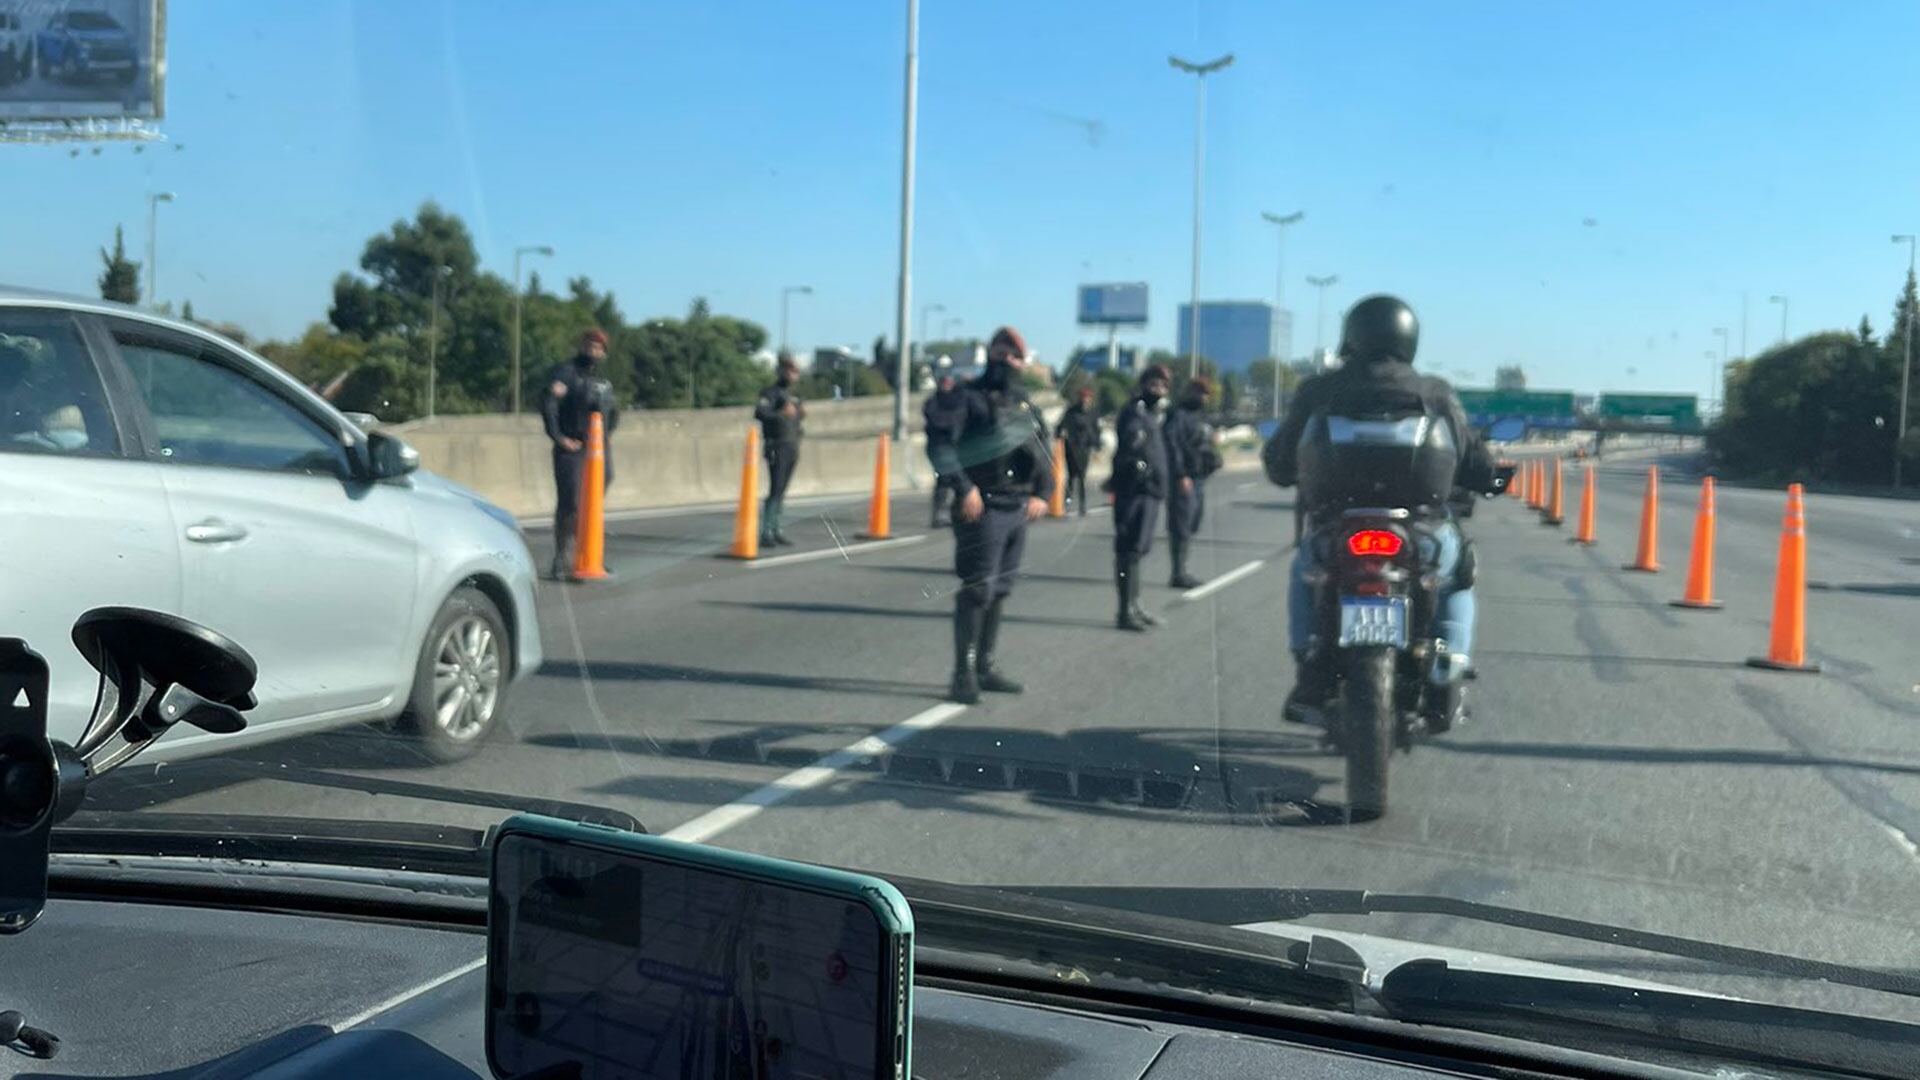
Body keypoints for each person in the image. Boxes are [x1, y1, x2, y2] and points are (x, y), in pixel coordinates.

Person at [1262, 295, 1498, 730]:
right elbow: (1479, 466)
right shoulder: (1435, 393)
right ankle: (1447, 675)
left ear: (1352, 336)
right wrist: (1496, 480)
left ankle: (1310, 669)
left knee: (1302, 570)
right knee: (1460, 572)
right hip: (1421, 532)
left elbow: (1279, 460)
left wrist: (1288, 471)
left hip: (1337, 531)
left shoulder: (1318, 390)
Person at [925, 326, 1054, 704]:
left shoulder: (1025, 403)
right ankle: (962, 674)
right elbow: (941, 446)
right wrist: (963, 488)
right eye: (1001, 354)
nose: (1007, 361)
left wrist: (1043, 493)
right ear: (990, 356)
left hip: (1017, 506)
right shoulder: (967, 398)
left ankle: (986, 665)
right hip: (982, 507)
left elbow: (1043, 449)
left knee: (999, 590)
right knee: (977, 588)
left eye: (1014, 357)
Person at [542, 328, 618, 581]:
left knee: (594, 502)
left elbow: (614, 414)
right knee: (570, 503)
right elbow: (549, 405)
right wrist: (559, 437)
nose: (592, 350)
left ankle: (589, 555)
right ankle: (562, 558)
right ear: (581, 345)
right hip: (571, 448)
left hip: (597, 450)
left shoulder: (604, 382)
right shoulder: (566, 373)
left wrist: (604, 439)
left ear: (604, 354)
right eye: (589, 345)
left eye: (598, 347)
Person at [1109, 365, 1171, 631]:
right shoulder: (1136, 411)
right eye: (1153, 384)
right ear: (1143, 384)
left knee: (1137, 551)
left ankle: (1135, 606)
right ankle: (1125, 611)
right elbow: (1133, 441)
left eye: (1162, 386)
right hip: (1134, 490)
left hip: (1149, 492)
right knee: (1128, 550)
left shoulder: (1153, 414)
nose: (1157, 389)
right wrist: (1138, 465)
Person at [1163, 375, 1219, 588]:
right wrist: (1180, 474)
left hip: (1199, 476)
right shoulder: (1178, 415)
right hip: (1184, 477)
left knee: (1193, 521)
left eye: (1205, 394)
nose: (1203, 397)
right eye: (1199, 392)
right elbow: (1173, 445)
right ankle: (1178, 573)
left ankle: (1182, 569)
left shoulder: (1199, 417)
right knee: (1181, 524)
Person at [753, 353, 806, 546]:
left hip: (792, 445)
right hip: (777, 445)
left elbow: (798, 420)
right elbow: (760, 413)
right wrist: (780, 414)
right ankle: (766, 530)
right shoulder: (770, 393)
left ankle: (776, 528)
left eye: (796, 371)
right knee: (775, 488)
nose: (793, 374)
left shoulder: (795, 397)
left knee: (782, 489)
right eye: (790, 370)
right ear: (781, 371)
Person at [922, 372, 965, 527]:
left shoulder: (962, 400)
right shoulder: (933, 402)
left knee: (960, 479)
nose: (946, 384)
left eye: (949, 381)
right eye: (944, 381)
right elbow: (936, 420)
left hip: (958, 446)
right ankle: (940, 513)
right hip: (939, 446)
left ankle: (957, 511)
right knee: (945, 477)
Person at [1055, 385, 1100, 516]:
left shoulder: (1092, 413)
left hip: (1085, 448)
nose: (1085, 400)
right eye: (1083, 398)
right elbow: (1061, 425)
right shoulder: (1071, 412)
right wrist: (1059, 437)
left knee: (1081, 476)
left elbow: (1096, 430)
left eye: (1087, 398)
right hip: (1071, 447)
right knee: (1071, 476)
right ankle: (1066, 502)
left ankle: (1082, 505)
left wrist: (1097, 446)